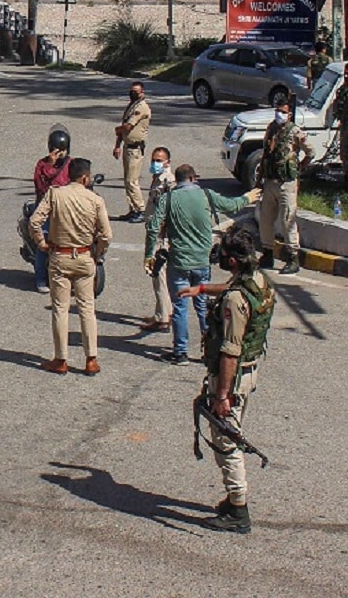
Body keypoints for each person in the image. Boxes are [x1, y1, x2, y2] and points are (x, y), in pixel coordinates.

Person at [176, 227, 275, 534]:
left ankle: (238, 508)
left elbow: (230, 352)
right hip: (248, 373)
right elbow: (234, 288)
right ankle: (234, 500)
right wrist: (202, 289)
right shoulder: (258, 281)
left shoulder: (234, 301)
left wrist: (221, 396)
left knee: (226, 442)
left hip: (232, 378)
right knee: (231, 434)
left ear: (232, 260)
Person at [145, 164, 261, 365]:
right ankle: (210, 351)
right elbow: (232, 206)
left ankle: (180, 352)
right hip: (202, 261)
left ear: (178, 180)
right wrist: (248, 198)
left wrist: (149, 254)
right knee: (203, 306)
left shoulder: (168, 199)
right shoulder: (206, 195)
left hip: (179, 262)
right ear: (192, 178)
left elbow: (153, 227)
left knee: (180, 308)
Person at [29, 158, 113, 375]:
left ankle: (61, 359)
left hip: (60, 256)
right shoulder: (95, 200)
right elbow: (106, 235)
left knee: (60, 308)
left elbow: (35, 221)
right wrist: (97, 253)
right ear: (85, 178)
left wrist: (41, 243)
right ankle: (91, 358)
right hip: (85, 256)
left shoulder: (55, 194)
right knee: (87, 308)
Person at [257, 98, 315, 274]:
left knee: (287, 220)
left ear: (289, 114)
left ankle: (292, 257)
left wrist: (300, 168)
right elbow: (266, 154)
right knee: (266, 219)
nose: (279, 114)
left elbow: (311, 152)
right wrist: (259, 179)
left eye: (283, 111)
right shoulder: (271, 129)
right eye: (277, 110)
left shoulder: (295, 131)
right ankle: (267, 252)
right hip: (270, 181)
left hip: (286, 183)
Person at [32, 126, 74, 293]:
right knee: (44, 243)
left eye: (63, 150)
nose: (60, 154)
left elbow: (80, 180)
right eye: (57, 150)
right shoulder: (42, 165)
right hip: (47, 209)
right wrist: (50, 164)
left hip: (68, 209)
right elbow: (40, 185)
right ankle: (41, 278)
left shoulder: (72, 164)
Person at [140, 146, 176, 331]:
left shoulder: (168, 181)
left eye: (159, 160)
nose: (155, 163)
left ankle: (163, 318)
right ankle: (162, 312)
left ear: (167, 162)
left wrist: (161, 230)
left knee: (158, 274)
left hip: (160, 235)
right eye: (153, 160)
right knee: (158, 276)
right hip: (155, 231)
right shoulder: (158, 178)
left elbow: (170, 208)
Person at [113, 81, 152, 222]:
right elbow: (123, 126)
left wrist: (117, 130)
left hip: (135, 149)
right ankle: (133, 209)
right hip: (127, 146)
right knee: (127, 181)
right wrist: (117, 145)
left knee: (132, 181)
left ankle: (140, 209)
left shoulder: (142, 108)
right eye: (132, 91)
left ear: (142, 92)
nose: (133, 93)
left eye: (136, 91)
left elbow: (128, 126)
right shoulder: (132, 106)